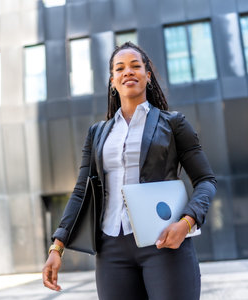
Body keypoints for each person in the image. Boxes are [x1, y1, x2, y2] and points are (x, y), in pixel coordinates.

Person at [42, 42, 217, 300]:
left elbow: (206, 181)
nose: (128, 72)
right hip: (111, 248)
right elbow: (81, 192)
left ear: (148, 76)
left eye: (136, 66)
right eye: (120, 68)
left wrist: (186, 222)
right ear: (112, 81)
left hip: (164, 242)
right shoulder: (98, 133)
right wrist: (57, 246)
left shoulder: (174, 124)